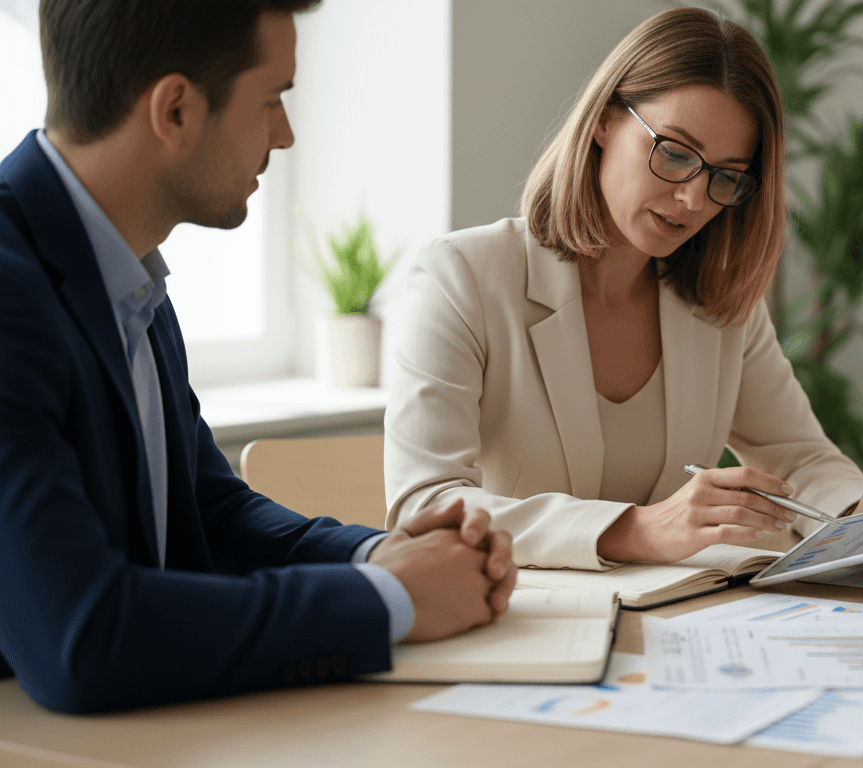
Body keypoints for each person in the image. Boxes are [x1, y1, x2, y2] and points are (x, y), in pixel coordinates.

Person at [0, 0, 515, 714]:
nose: (287, 133)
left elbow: (211, 514)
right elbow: (83, 638)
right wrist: (388, 599)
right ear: (175, 110)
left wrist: (381, 557)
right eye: (272, 99)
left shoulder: (127, 273)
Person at [383, 6, 863, 572]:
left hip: (664, 615)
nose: (694, 200)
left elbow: (796, 457)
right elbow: (425, 506)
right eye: (673, 152)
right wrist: (640, 529)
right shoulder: (462, 276)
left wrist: (859, 507)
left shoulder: (719, 300)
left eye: (725, 176)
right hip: (523, 621)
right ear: (604, 120)